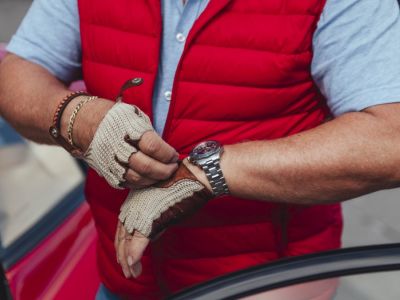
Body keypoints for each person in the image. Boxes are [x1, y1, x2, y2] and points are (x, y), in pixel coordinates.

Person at [1, 0, 400, 299]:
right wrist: (75, 116)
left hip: (267, 285)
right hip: (124, 280)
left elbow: (389, 140)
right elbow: (17, 73)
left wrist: (204, 172)